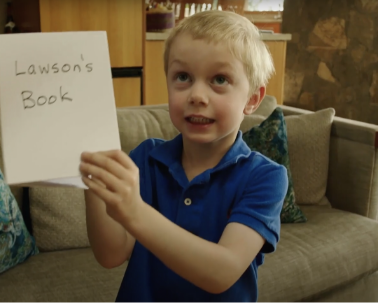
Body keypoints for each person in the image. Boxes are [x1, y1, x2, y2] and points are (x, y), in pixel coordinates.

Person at [79, 10, 288, 303]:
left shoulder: (265, 176)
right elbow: (111, 254)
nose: (197, 95)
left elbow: (221, 272)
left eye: (219, 79)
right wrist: (94, 181)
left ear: (252, 99)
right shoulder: (146, 158)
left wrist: (135, 211)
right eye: (183, 77)